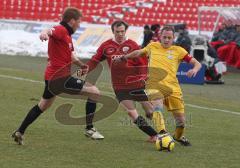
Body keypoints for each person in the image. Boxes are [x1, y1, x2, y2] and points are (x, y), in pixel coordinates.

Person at [12, 7, 104, 145]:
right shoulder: (61, 29)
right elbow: (49, 30)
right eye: (79, 22)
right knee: (94, 92)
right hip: (59, 78)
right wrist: (44, 33)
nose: (79, 25)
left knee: (42, 105)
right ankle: (89, 129)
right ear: (72, 21)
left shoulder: (67, 36)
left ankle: (20, 131)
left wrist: (80, 65)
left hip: (51, 78)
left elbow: (70, 54)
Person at [115, 26, 202, 146]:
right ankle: (162, 134)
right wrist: (124, 57)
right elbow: (138, 52)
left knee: (181, 122)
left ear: (173, 38)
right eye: (164, 37)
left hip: (173, 88)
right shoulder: (152, 46)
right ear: (160, 36)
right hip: (154, 84)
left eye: (169, 38)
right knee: (157, 106)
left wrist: (195, 69)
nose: (166, 40)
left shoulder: (179, 51)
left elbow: (197, 63)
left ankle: (178, 136)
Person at [85, 20, 165, 141]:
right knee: (131, 112)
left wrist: (144, 79)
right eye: (118, 32)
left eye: (122, 31)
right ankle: (154, 135)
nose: (120, 34)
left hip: (137, 84)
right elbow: (94, 61)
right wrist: (82, 71)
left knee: (149, 111)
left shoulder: (132, 45)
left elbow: (142, 63)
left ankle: (162, 131)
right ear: (113, 31)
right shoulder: (106, 46)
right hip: (120, 87)